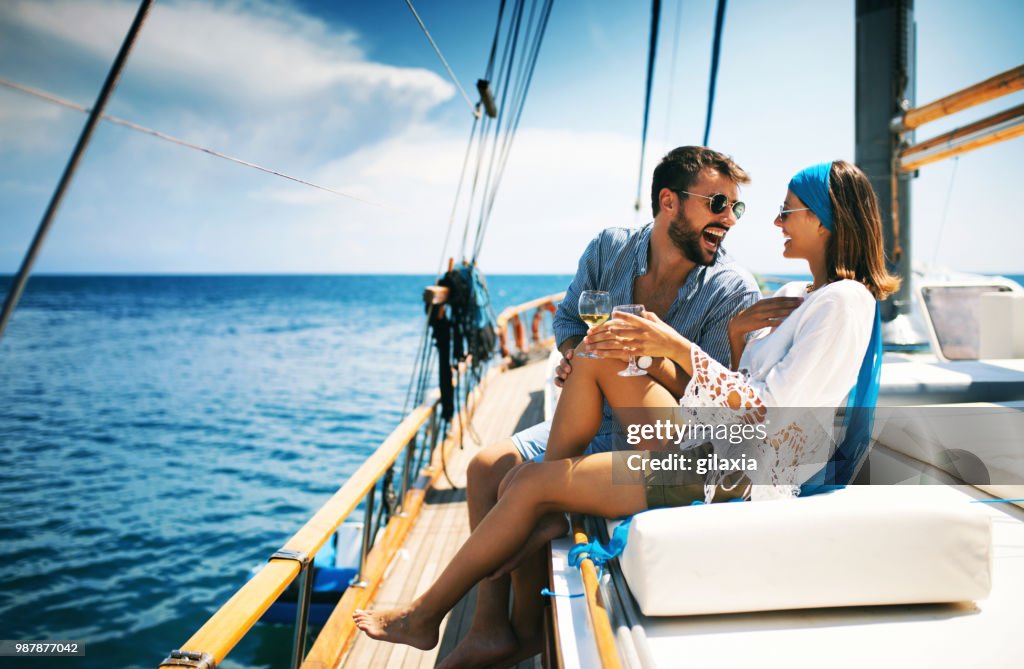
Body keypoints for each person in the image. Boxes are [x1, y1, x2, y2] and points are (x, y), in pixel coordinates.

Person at [353, 159, 896, 658]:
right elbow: (737, 388)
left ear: (824, 220)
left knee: (531, 484)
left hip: (736, 472)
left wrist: (675, 346)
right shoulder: (803, 293)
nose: (775, 223)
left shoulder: (846, 303)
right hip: (714, 446)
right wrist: (726, 337)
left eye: (786, 211)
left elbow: (774, 419)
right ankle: (484, 595)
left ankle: (425, 614)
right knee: (599, 349)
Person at [441, 146, 765, 668]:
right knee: (484, 468)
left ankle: (526, 613)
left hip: (658, 438)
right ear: (669, 202)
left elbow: (712, 401)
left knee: (523, 489)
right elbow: (569, 320)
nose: (729, 219)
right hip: (590, 415)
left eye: (735, 208)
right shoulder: (610, 250)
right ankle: (491, 627)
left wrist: (642, 355)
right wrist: (576, 357)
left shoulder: (732, 289)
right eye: (718, 203)